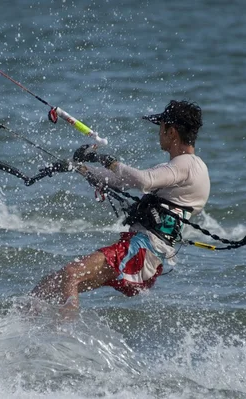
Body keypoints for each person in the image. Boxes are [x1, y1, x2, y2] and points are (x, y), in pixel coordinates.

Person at [31, 100, 210, 314]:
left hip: (142, 251)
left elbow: (144, 180)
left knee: (71, 274)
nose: (158, 133)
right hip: (143, 255)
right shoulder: (184, 167)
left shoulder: (187, 164)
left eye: (160, 128)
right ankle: (22, 330)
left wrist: (103, 159)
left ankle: (63, 339)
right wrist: (80, 168)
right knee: (54, 282)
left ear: (171, 132)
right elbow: (123, 181)